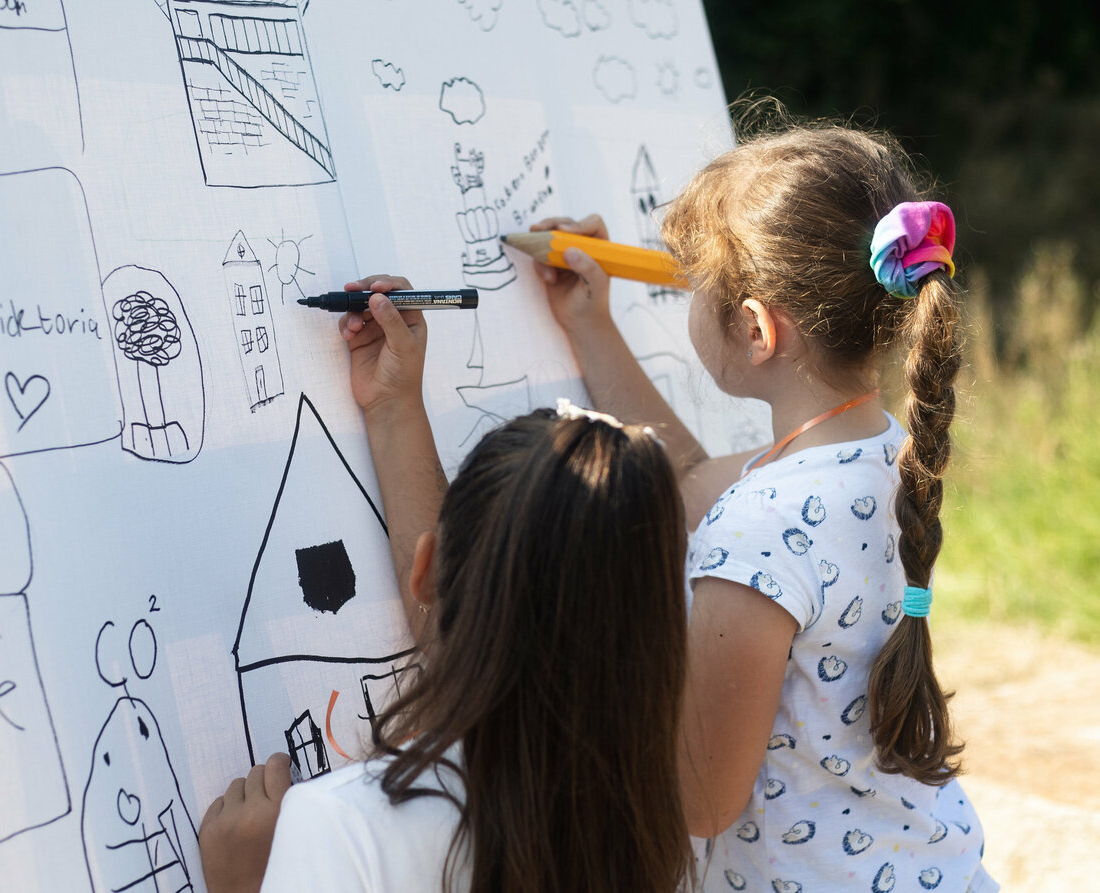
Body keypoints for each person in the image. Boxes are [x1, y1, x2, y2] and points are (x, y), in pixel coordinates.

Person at [530, 108, 996, 892]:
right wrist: (590, 326)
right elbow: (684, 482)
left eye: (694, 283)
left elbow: (702, 800)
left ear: (754, 329)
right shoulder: (884, 453)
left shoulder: (758, 528)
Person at [199, 278, 696, 893]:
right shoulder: (654, 801)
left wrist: (244, 885)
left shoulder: (347, 828)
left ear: (426, 567)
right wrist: (393, 407)